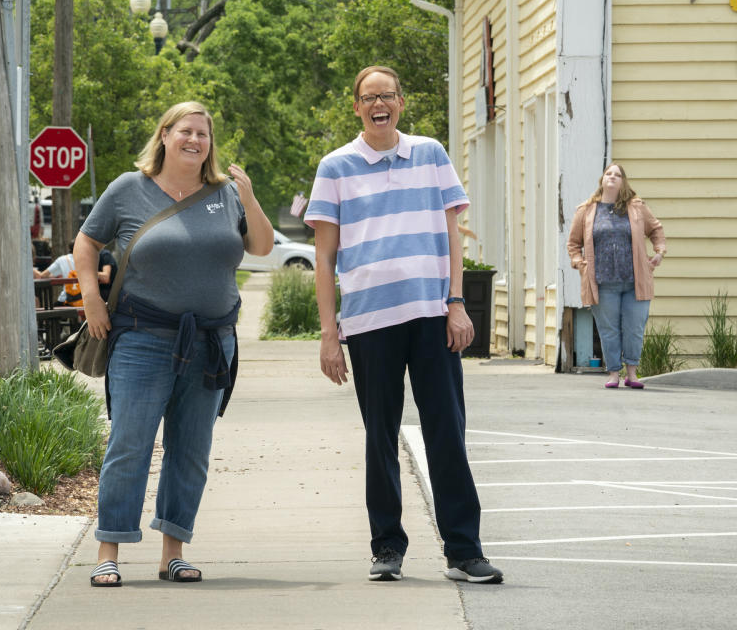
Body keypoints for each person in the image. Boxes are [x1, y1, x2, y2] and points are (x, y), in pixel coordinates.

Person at [305, 65, 504, 585]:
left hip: (433, 315)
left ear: (400, 101)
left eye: (387, 95)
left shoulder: (431, 154)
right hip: (370, 321)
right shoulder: (335, 166)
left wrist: (456, 302)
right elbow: (324, 259)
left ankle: (464, 551)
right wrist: (331, 333)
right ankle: (386, 547)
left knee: (448, 434)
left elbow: (453, 235)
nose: (379, 104)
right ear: (356, 106)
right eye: (369, 97)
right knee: (380, 436)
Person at [74, 101, 273, 587]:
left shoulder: (225, 194)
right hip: (143, 339)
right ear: (164, 135)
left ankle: (173, 553)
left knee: (190, 450)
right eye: (185, 131)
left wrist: (249, 198)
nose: (195, 141)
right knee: (130, 445)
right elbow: (85, 244)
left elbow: (263, 247)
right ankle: (109, 552)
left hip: (210, 344)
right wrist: (93, 301)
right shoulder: (128, 189)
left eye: (203, 134)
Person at [567, 163, 667, 388]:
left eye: (617, 174)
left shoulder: (637, 208)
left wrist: (659, 253)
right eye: (608, 173)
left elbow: (656, 230)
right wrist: (578, 262)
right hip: (602, 283)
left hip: (635, 282)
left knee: (634, 328)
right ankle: (613, 374)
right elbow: (573, 243)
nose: (612, 177)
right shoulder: (586, 210)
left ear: (623, 182)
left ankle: (632, 374)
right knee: (609, 330)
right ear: (602, 180)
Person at [36, 245, 116, 305]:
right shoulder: (84, 258)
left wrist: (86, 272)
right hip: (88, 296)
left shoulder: (104, 255)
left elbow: (105, 278)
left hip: (106, 295)